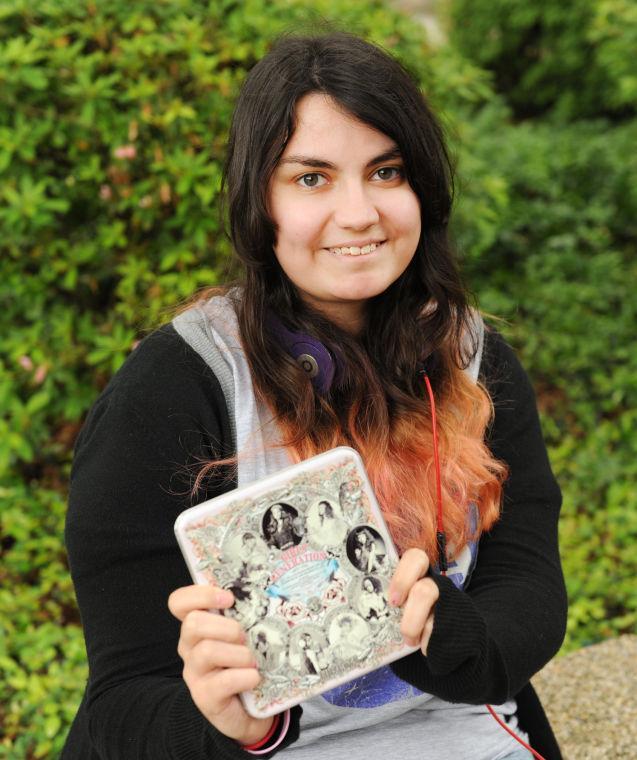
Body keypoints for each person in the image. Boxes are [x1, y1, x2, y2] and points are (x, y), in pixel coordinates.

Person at [62, 31, 566, 760]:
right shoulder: (174, 390)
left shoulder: (470, 357)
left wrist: (456, 634)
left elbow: (528, 586)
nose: (359, 213)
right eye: (311, 178)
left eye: (386, 171)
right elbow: (124, 698)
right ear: (256, 199)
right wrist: (232, 722)